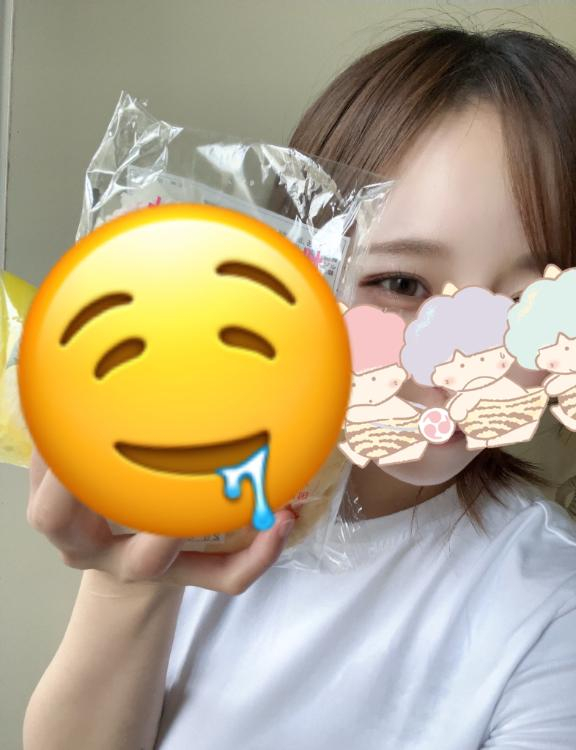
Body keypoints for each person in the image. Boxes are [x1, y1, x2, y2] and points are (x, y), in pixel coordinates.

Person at [23, 23, 576, 750]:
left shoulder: (551, 605)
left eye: (528, 303)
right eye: (402, 284)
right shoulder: (196, 473)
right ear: (299, 266)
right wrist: (131, 583)